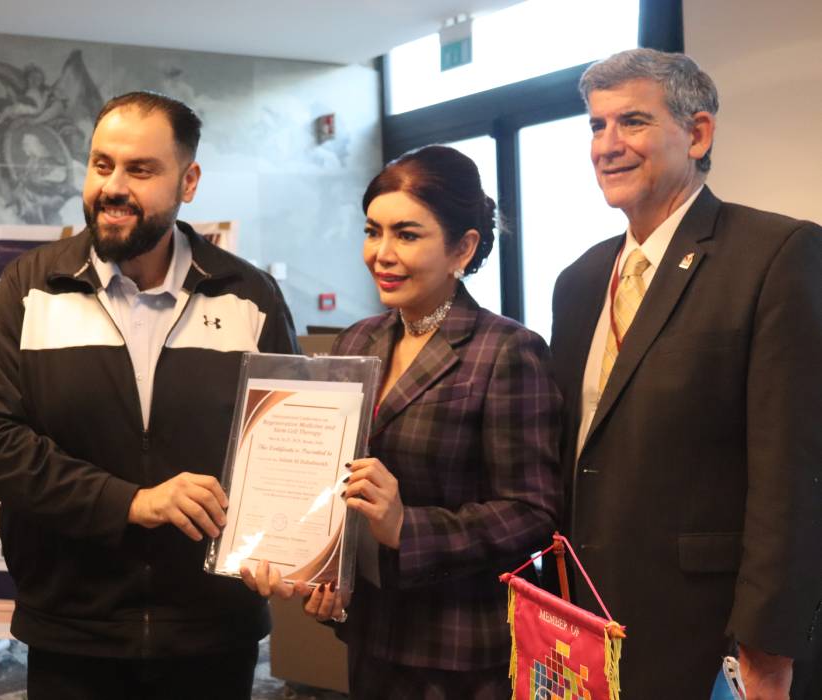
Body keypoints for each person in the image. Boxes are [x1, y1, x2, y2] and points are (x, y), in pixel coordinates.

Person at [0, 91, 299, 699]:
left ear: (188, 181)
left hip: (212, 630)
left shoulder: (249, 296)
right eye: (102, 165)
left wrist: (290, 544)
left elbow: (286, 444)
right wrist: (131, 503)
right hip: (73, 628)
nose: (113, 186)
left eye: (140, 170)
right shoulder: (32, 289)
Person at [549, 48, 822, 699]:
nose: (607, 145)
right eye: (596, 126)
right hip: (589, 618)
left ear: (697, 134)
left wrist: (768, 647)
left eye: (633, 122)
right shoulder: (579, 281)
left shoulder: (775, 254)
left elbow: (793, 472)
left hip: (710, 633)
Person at [243, 145, 563, 698]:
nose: (381, 254)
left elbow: (532, 513)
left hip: (461, 653)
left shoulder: (505, 349)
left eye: (407, 235)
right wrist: (322, 569)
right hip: (372, 635)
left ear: (463, 247)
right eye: (373, 232)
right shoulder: (358, 340)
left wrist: (405, 527)